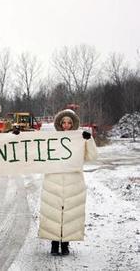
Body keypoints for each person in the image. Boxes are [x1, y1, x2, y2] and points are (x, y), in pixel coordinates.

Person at [38, 109, 97, 256]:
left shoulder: (79, 138)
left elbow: (92, 156)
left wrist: (89, 139)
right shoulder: (51, 139)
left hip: (73, 180)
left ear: (73, 124)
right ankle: (53, 244)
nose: (66, 125)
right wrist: (16, 137)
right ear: (59, 123)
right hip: (53, 179)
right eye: (63, 122)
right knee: (53, 213)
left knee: (70, 214)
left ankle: (65, 244)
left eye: (69, 122)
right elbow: (33, 150)